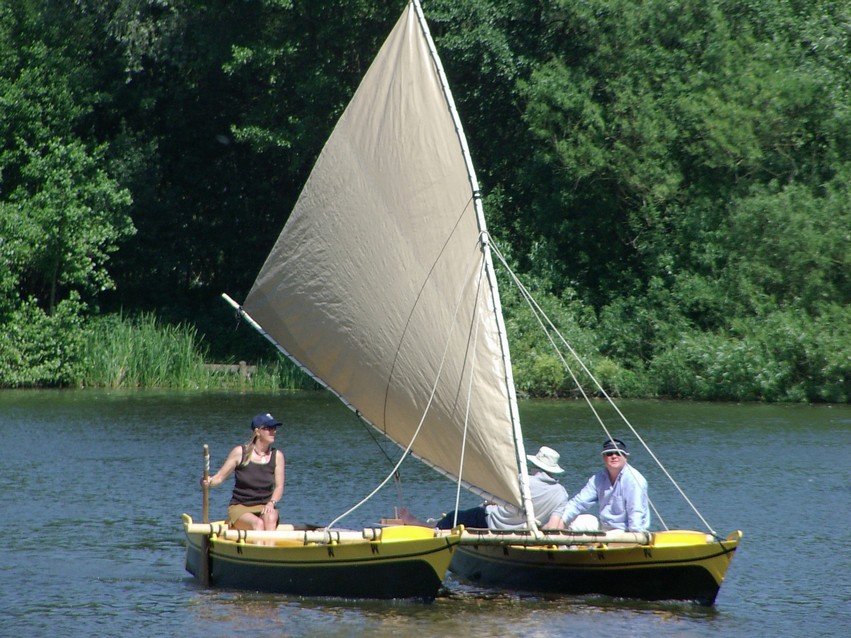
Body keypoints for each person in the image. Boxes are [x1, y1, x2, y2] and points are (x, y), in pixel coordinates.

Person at [400, 446, 571, 531]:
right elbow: (554, 526)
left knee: (454, 517)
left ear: (536, 466)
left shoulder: (523, 480)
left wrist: (486, 503)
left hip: (493, 521)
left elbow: (495, 497)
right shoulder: (561, 494)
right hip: (523, 531)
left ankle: (421, 524)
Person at [201, 412, 285, 531]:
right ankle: (257, 548)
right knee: (258, 524)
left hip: (265, 506)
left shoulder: (278, 456)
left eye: (275, 428)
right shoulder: (240, 453)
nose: (274, 431)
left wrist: (271, 503)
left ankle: (268, 548)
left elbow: (279, 487)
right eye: (269, 428)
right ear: (257, 431)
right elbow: (219, 478)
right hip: (241, 507)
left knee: (270, 518)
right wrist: (208, 482)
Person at [546, 438, 649, 532]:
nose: (614, 456)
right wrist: (559, 519)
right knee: (572, 521)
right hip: (605, 528)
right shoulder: (598, 478)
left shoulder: (634, 480)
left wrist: (636, 537)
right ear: (603, 457)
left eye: (618, 453)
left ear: (625, 457)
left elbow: (636, 511)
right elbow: (579, 503)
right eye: (609, 454)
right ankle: (555, 541)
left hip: (625, 531)